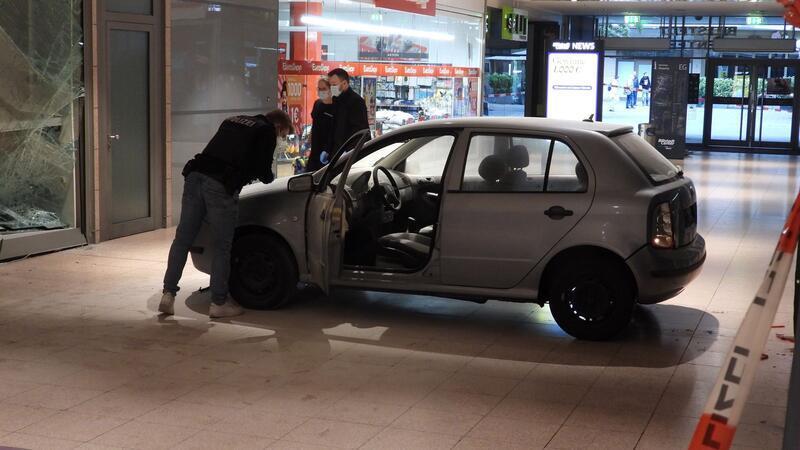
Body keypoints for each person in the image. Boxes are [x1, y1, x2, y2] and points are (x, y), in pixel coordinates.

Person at [159, 109, 292, 318]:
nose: (281, 139)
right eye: (282, 135)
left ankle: (168, 294)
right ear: (277, 126)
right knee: (222, 245)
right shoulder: (266, 131)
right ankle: (219, 302)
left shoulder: (235, 120)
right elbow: (263, 171)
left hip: (195, 177)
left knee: (182, 239)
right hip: (220, 186)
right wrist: (270, 177)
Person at [327, 68, 370, 153]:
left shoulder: (356, 101)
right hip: (336, 152)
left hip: (349, 153)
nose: (332, 88)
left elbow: (360, 130)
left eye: (334, 85)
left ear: (344, 83)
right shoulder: (335, 100)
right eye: (330, 85)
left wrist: (349, 152)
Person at [307, 78, 336, 172]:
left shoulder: (337, 107)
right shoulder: (317, 104)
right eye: (319, 89)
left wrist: (328, 149)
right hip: (315, 148)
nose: (321, 91)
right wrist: (310, 137)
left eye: (324, 89)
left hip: (329, 150)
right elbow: (314, 122)